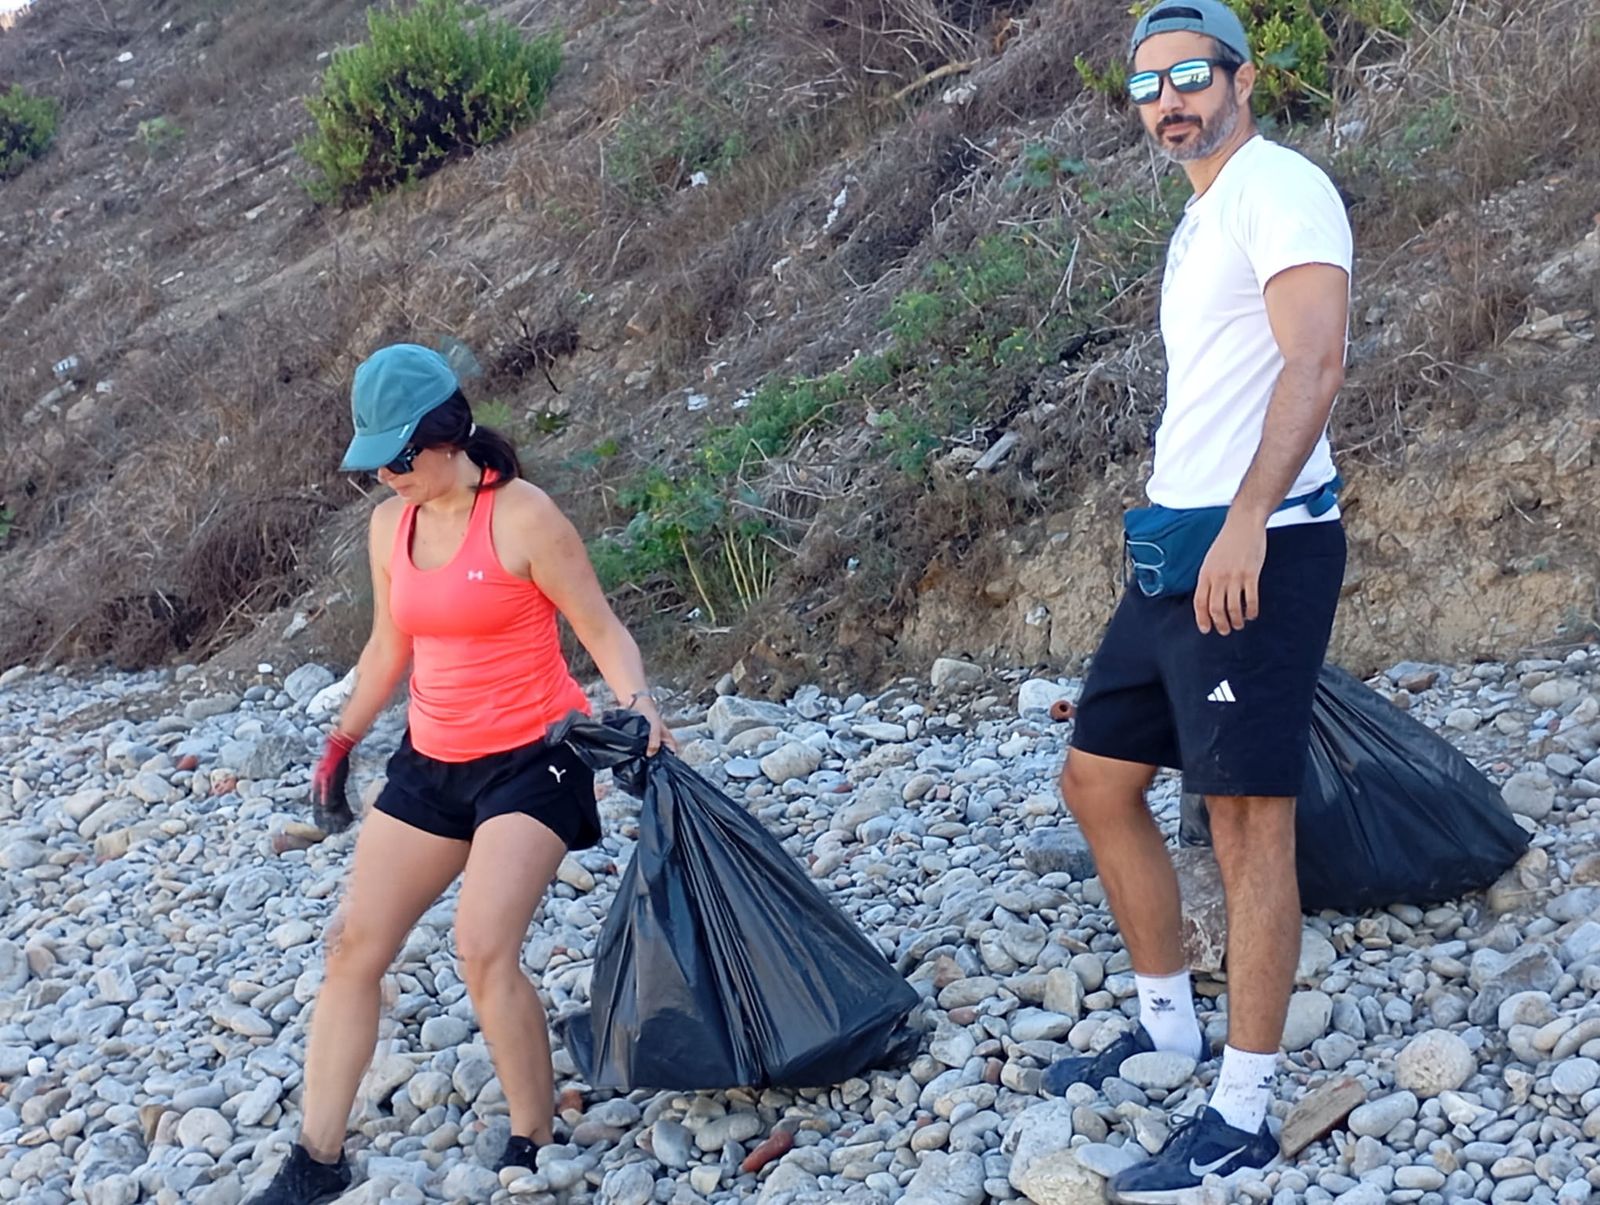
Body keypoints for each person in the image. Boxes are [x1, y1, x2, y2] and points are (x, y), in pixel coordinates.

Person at [1040, 2, 1353, 1201]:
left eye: (1188, 76)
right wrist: (1193, 519)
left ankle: (1243, 1106)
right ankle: (1168, 1024)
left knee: (1243, 820)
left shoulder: (1280, 186)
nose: (1168, 100)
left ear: (1240, 76)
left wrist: (1242, 522)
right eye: (1146, 86)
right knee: (1096, 777)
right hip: (1177, 546)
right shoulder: (1202, 210)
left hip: (1256, 549)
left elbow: (1314, 361)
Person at [247, 343, 677, 1204]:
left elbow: (601, 628)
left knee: (481, 944)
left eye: (403, 458)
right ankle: (315, 1159)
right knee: (350, 948)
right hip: (431, 760)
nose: (390, 477)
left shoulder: (525, 518)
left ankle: (531, 1134)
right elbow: (388, 647)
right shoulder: (390, 526)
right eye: (378, 463)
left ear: (449, 433)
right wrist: (342, 741)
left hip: (535, 758)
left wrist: (640, 704)